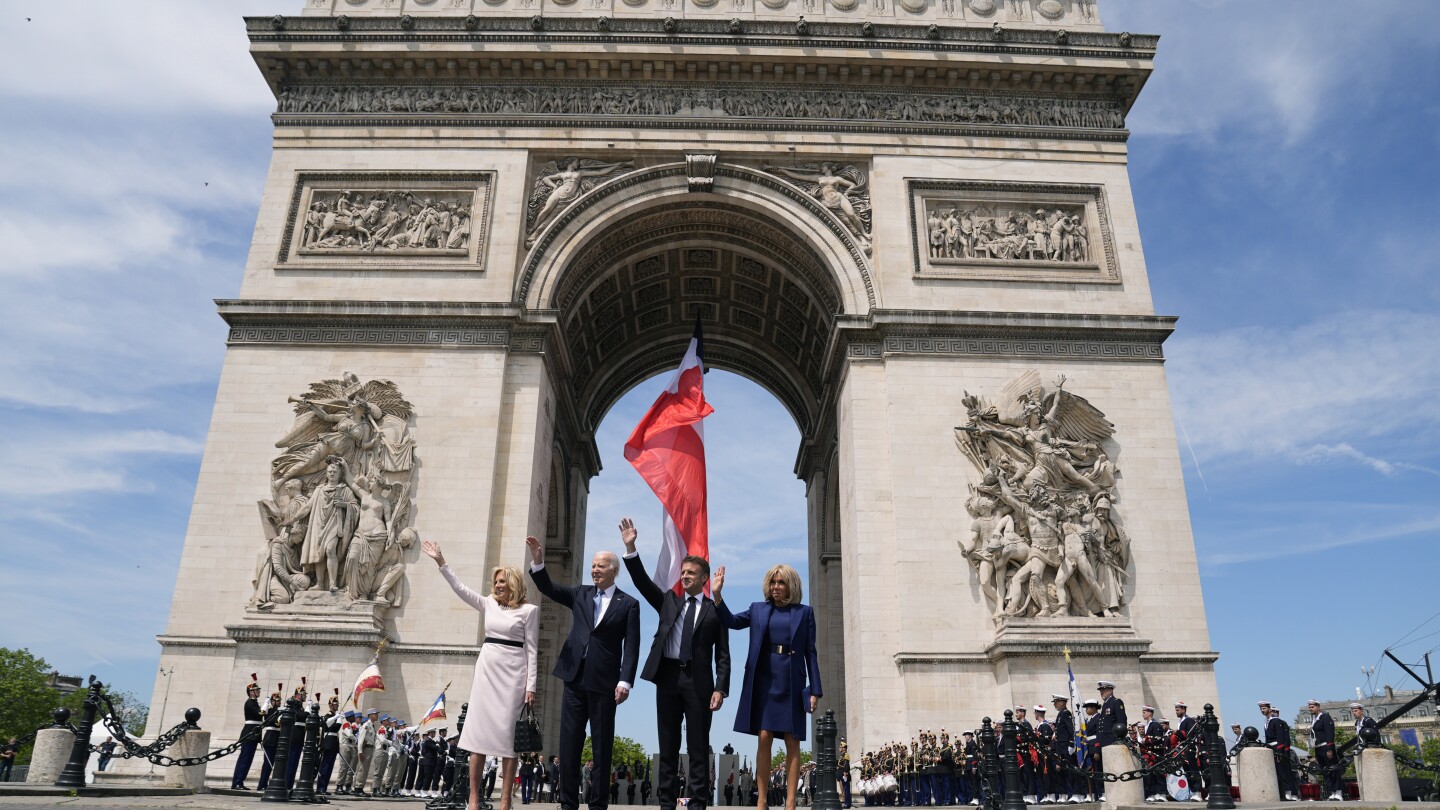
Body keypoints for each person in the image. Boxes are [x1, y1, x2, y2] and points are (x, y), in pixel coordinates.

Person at [620, 517, 732, 810]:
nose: (684, 576)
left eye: (691, 573)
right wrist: (631, 548)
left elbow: (723, 654)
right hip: (668, 679)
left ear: (704, 578)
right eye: (682, 572)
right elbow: (643, 583)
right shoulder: (669, 600)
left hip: (699, 684)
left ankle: (697, 805)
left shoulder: (715, 610)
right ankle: (667, 804)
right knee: (667, 746)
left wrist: (720, 688)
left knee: (697, 747)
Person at [527, 535, 641, 810]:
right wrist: (539, 561)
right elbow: (549, 588)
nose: (595, 570)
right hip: (574, 678)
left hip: (605, 684)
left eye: (601, 566)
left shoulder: (629, 604)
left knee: (602, 748)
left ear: (614, 571)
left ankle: (598, 804)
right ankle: (567, 803)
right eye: (593, 565)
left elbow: (632, 646)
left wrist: (625, 681)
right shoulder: (581, 593)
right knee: (569, 745)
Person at [425, 539, 540, 810]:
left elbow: (533, 650)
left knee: (509, 740)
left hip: (514, 675)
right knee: (478, 736)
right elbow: (461, 590)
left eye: (503, 581)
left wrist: (531, 686)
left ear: (514, 583)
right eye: (496, 581)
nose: (498, 585)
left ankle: (504, 800)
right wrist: (442, 562)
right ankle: (474, 799)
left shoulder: (529, 611)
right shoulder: (488, 603)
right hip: (487, 670)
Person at [712, 562, 822, 810]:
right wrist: (717, 596)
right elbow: (730, 621)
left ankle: (791, 802)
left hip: (792, 680)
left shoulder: (805, 613)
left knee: (793, 740)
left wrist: (815, 690)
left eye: (781, 582)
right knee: (764, 736)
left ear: (791, 585)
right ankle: (762, 800)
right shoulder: (758, 609)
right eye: (772, 582)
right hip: (763, 679)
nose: (776, 587)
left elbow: (811, 653)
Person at [226, 677, 264, 791]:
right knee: (245, 759)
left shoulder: (254, 703)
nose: (259, 692)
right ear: (252, 692)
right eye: (257, 690)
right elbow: (259, 714)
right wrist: (266, 704)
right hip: (249, 733)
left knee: (248, 760)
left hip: (254, 733)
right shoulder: (249, 703)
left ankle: (240, 781)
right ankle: (237, 782)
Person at [1261, 704, 1298, 801]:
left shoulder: (1279, 722)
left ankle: (1289, 792)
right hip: (1271, 748)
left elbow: (1283, 739)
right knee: (1278, 772)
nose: (1274, 713)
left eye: (1275, 712)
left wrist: (1281, 752)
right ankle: (1283, 792)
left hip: (1279, 749)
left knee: (1285, 772)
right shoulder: (1267, 722)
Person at [317, 691, 343, 795]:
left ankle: (324, 787)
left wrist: (339, 717)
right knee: (325, 767)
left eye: (337, 704)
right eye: (335, 704)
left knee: (330, 768)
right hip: (327, 744)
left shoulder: (334, 717)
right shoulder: (327, 716)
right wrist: (337, 717)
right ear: (331, 705)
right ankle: (320, 787)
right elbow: (327, 724)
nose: (337, 706)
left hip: (333, 745)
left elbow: (337, 727)